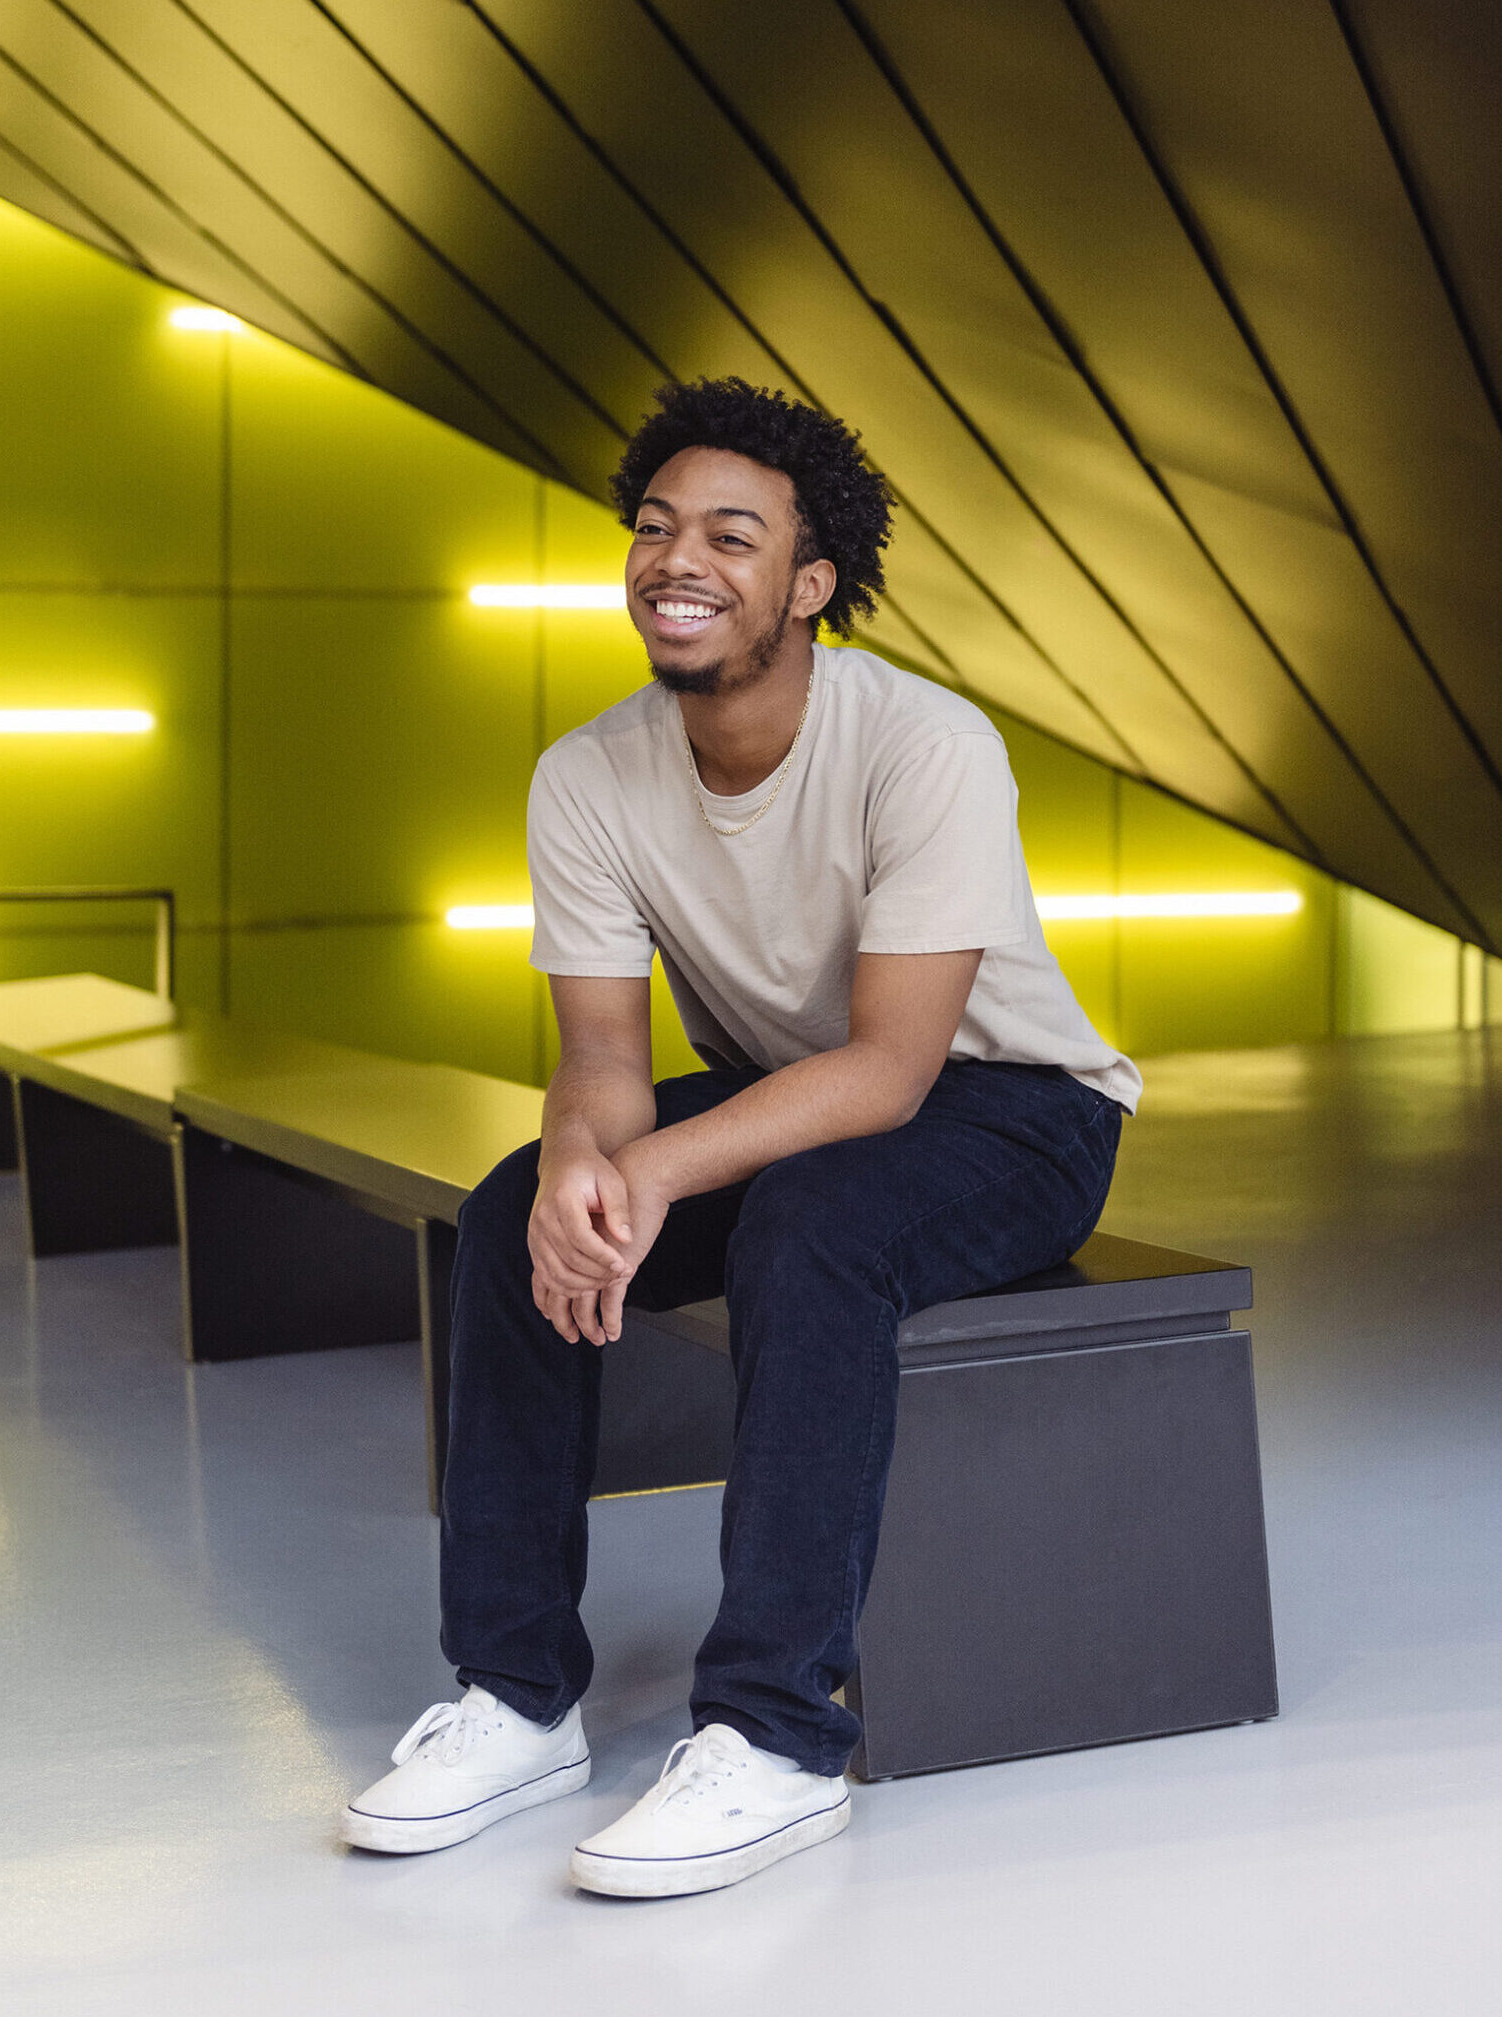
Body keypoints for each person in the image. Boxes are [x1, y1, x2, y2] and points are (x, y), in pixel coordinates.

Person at [343, 378, 1141, 1897]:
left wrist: (650, 1169)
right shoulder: (585, 775)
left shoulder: (925, 742)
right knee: (517, 1205)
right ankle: (515, 1696)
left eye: (729, 532)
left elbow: (896, 1071)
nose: (675, 559)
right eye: (652, 529)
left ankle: (776, 1731)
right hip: (795, 1094)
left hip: (1015, 1109)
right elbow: (601, 1066)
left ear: (808, 583)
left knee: (814, 1226)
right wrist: (588, 1165)